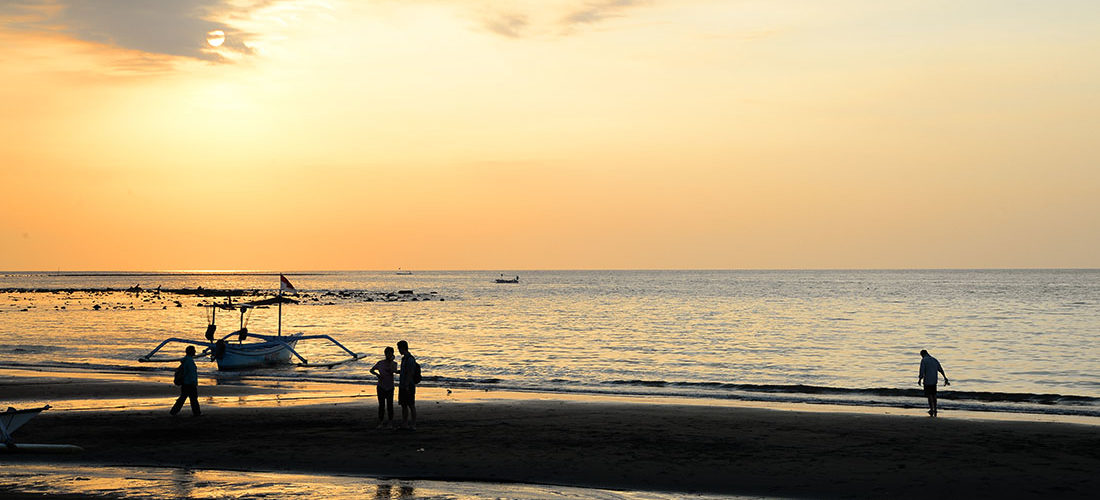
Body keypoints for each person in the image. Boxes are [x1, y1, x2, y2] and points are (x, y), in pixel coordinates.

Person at [369, 346, 398, 429]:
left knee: (390, 405)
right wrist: (377, 375)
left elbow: (394, 371)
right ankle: (381, 422)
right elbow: (371, 370)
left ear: (392, 354)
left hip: (390, 386)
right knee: (381, 405)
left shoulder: (394, 363)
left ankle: (390, 423)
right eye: (387, 353)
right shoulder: (380, 363)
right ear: (385, 354)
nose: (388, 355)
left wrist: (391, 361)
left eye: (390, 353)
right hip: (381, 386)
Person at [396, 340, 420, 430]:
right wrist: (397, 371)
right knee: (404, 405)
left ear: (403, 348)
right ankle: (405, 423)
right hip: (403, 385)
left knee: (411, 405)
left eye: (399, 348)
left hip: (408, 385)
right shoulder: (404, 359)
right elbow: (405, 371)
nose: (398, 350)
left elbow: (410, 373)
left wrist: (406, 385)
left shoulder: (410, 359)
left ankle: (413, 425)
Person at [170, 346, 201, 416]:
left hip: (186, 382)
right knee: (193, 398)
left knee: (184, 397)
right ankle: (196, 413)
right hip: (189, 383)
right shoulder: (189, 361)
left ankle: (174, 411)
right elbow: (191, 373)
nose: (195, 351)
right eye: (194, 350)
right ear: (191, 352)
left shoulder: (186, 360)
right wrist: (194, 382)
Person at [918, 349, 949, 417]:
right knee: (934, 395)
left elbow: (922, 370)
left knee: (929, 395)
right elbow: (940, 369)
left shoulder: (924, 360)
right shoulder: (934, 359)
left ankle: (931, 409)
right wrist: (945, 377)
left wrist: (920, 379)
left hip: (927, 380)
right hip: (934, 380)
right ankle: (935, 408)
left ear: (922, 354)